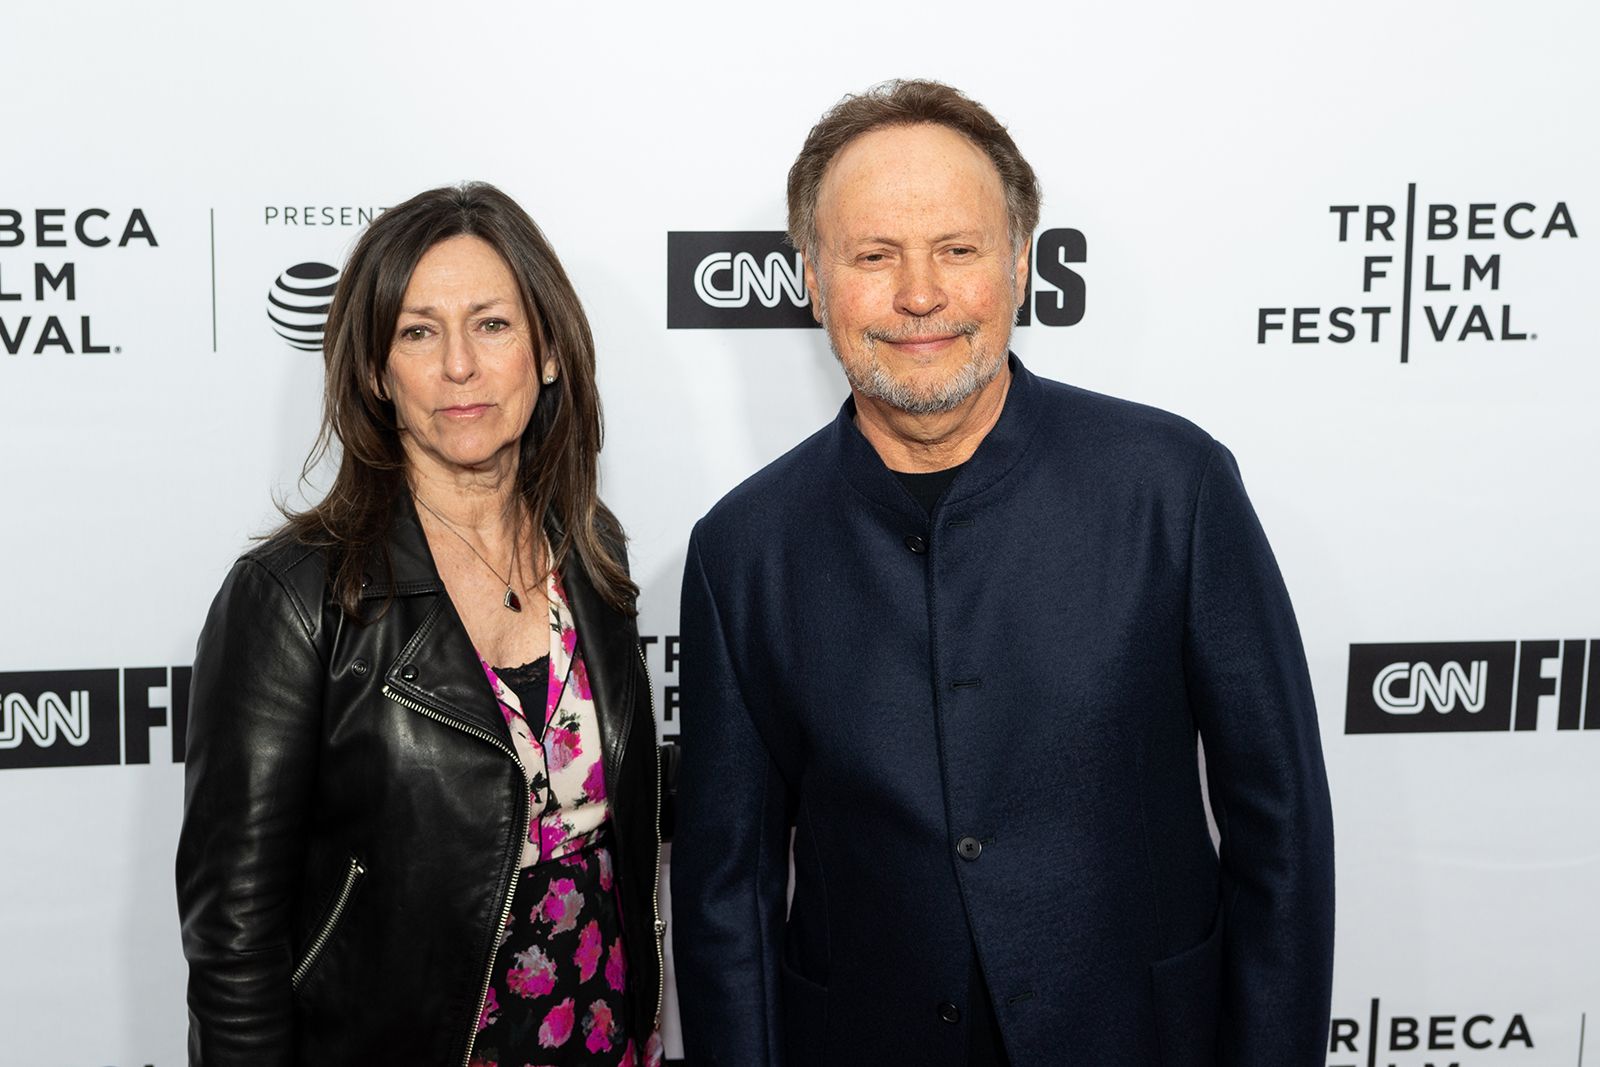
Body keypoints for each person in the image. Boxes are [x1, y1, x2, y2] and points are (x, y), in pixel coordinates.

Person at [672, 80, 1335, 1066]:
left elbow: (1279, 830)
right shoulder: (745, 548)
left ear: (1020, 262)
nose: (919, 295)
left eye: (956, 248)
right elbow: (726, 893)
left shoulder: (1172, 487)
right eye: (873, 255)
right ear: (811, 276)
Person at [176, 183, 663, 1067]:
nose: (460, 369)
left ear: (547, 351)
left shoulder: (592, 552)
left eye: (492, 324)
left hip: (598, 1032)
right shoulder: (290, 599)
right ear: (374, 370)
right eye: (417, 331)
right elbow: (233, 944)